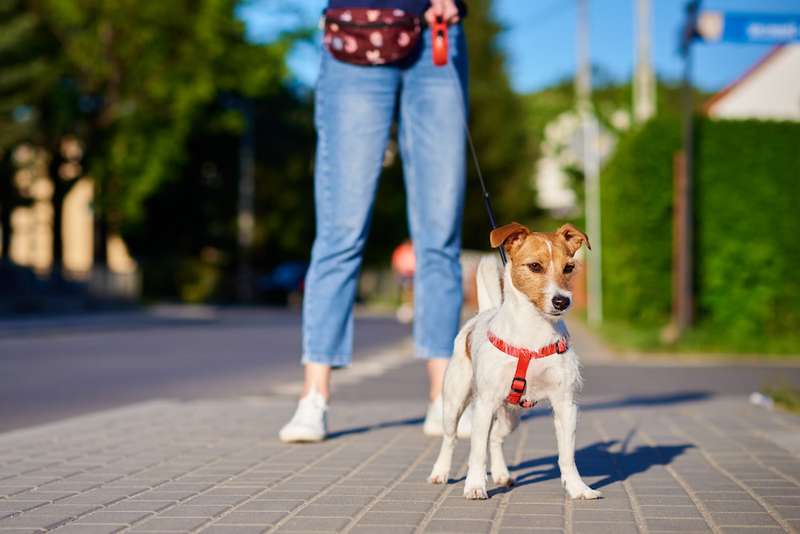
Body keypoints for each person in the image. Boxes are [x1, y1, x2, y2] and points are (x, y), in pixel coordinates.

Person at [279, 0, 469, 443]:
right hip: (355, 33)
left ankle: (444, 399)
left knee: (440, 233)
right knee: (340, 231)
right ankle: (313, 398)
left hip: (435, 34)